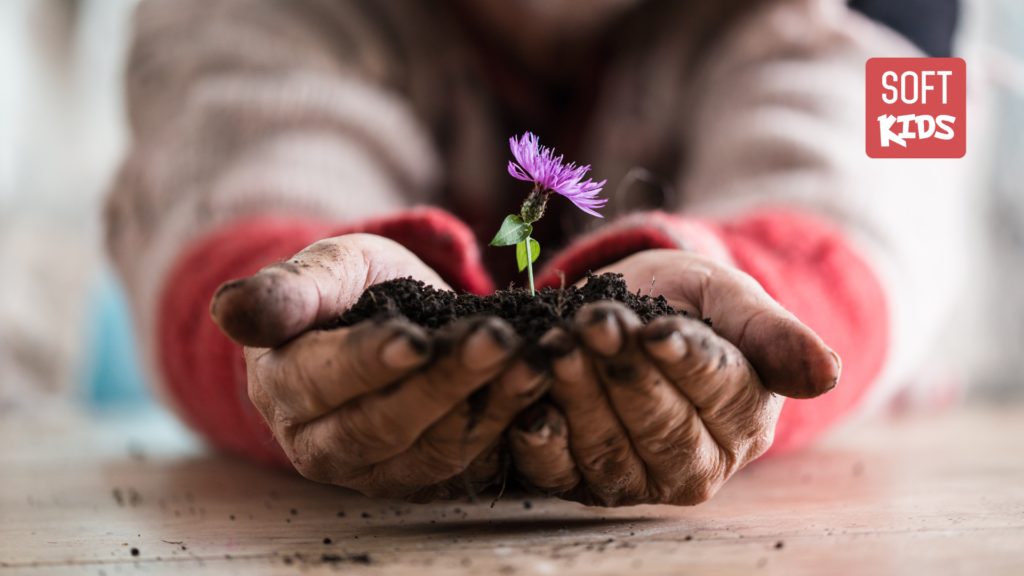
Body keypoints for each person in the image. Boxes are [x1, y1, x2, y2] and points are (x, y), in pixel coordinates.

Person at [105, 0, 968, 505]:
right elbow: (223, 193)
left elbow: (881, 198)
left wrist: (751, 297)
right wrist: (302, 312)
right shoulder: (227, 20)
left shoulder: (900, 22)